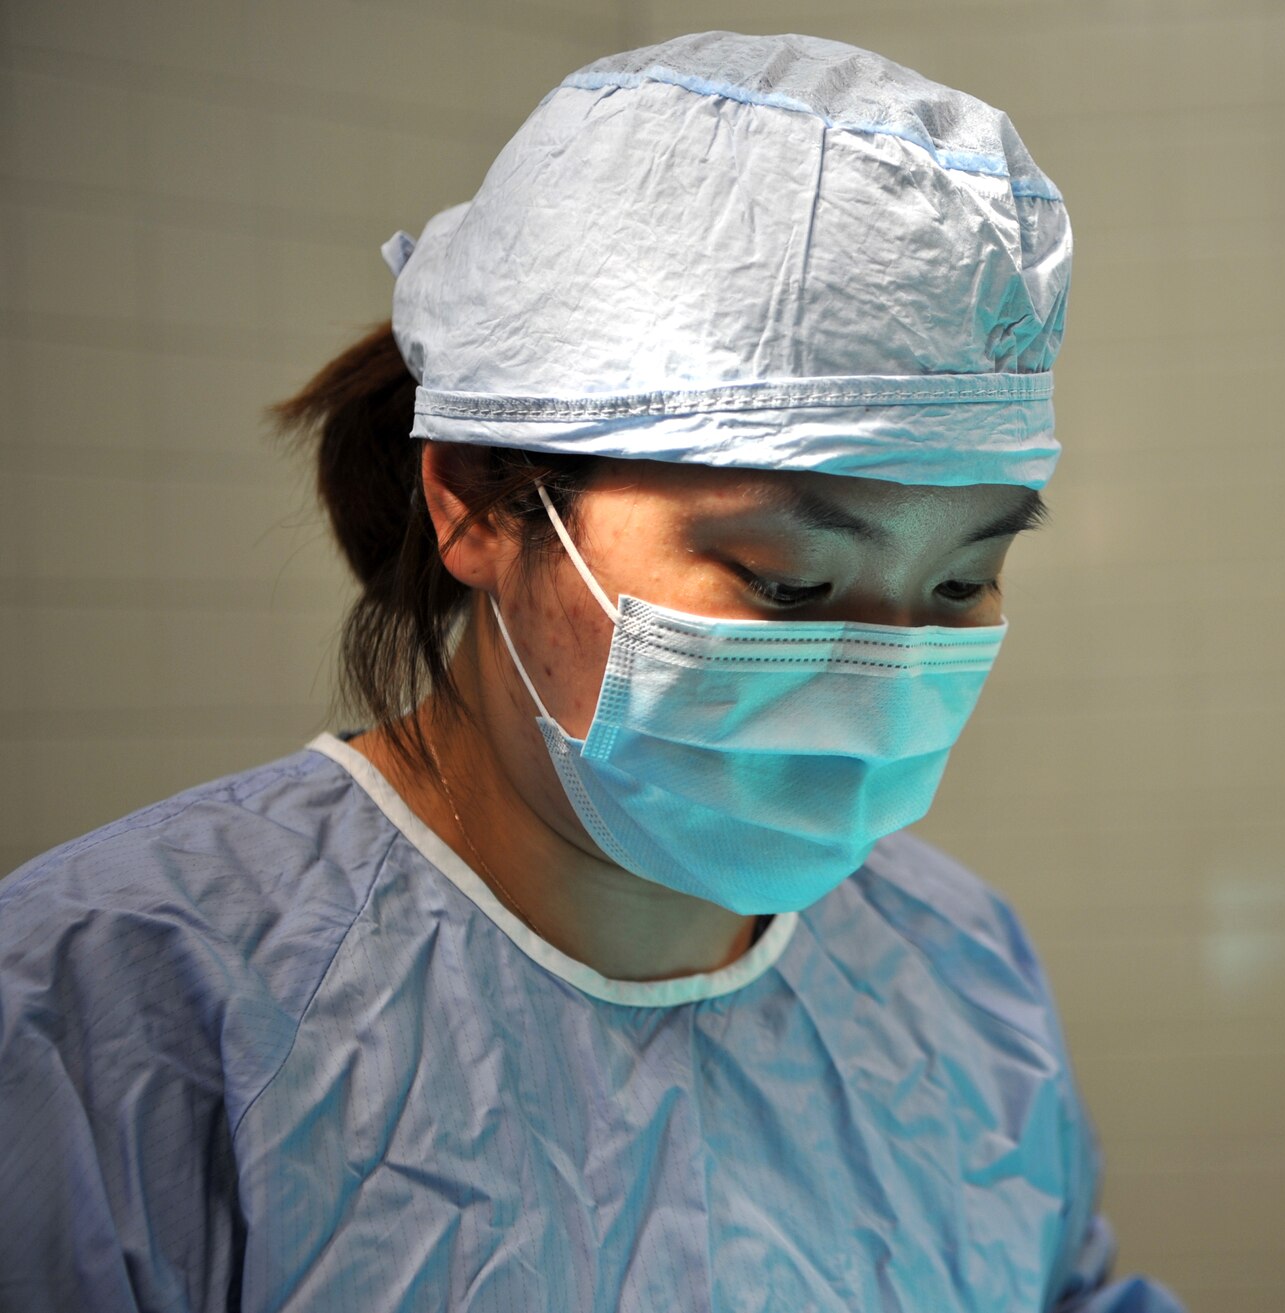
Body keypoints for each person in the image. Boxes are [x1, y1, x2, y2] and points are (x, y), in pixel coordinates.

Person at [0, 31, 1183, 1312]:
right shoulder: (117, 1005)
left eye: (959, 581)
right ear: (473, 503)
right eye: (787, 581)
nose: (883, 664)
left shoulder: (953, 963)